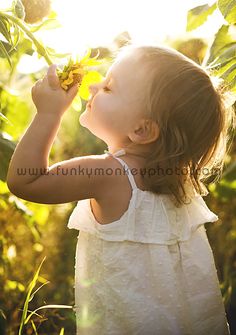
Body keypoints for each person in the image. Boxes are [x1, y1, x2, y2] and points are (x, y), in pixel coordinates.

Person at [6, 44, 234, 335]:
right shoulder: (180, 182)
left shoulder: (108, 173)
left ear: (142, 130)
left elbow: (26, 181)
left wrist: (48, 113)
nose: (93, 86)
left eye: (109, 88)